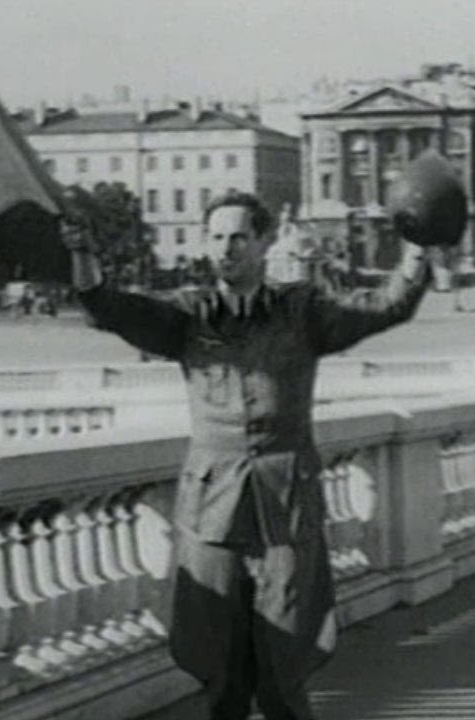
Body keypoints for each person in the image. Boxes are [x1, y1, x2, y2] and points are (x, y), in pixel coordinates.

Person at [66, 191, 434, 720]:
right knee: (220, 669)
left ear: (265, 242)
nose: (226, 248)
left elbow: (385, 306)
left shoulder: (302, 312)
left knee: (286, 662)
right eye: (216, 237)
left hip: (285, 510)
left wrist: (417, 250)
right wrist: (82, 254)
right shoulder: (188, 316)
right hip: (211, 512)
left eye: (239, 236)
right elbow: (107, 307)